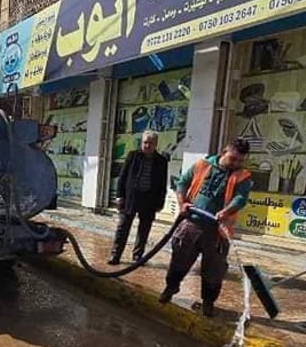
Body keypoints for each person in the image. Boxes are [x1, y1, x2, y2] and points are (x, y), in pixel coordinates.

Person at [159, 138, 253, 318]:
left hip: (218, 231)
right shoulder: (202, 165)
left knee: (214, 271)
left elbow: (240, 199)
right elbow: (182, 183)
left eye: (240, 160)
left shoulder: (243, 177)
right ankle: (170, 288)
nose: (236, 164)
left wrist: (226, 211)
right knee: (179, 261)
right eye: (233, 159)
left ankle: (208, 303)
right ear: (224, 152)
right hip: (191, 224)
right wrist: (182, 203)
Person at [108, 130, 169, 265]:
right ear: (141, 143)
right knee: (122, 228)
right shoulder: (133, 156)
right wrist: (119, 196)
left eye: (150, 143)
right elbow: (122, 177)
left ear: (156, 144)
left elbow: (163, 183)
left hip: (149, 200)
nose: (147, 145)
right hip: (130, 198)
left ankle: (137, 257)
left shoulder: (161, 161)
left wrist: (161, 202)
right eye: (145, 142)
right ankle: (115, 255)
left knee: (144, 230)